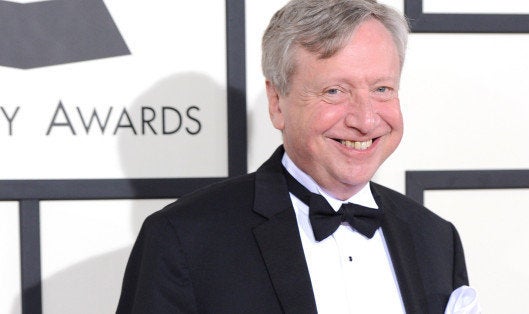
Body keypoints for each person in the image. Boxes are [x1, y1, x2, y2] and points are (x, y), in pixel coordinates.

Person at [116, 0, 469, 313]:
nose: (365, 119)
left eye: (381, 89)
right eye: (334, 91)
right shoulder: (183, 239)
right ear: (277, 103)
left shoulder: (437, 240)